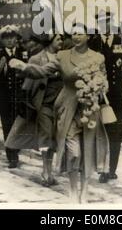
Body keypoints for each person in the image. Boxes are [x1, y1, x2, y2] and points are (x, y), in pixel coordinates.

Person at [11, 24, 109, 203]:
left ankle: (83, 193)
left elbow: (105, 81)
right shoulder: (63, 56)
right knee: (74, 152)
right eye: (74, 34)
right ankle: (72, 190)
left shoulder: (98, 57)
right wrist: (24, 67)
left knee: (87, 151)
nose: (76, 37)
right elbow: (42, 71)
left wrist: (98, 86)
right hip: (67, 108)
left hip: (89, 109)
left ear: (88, 36)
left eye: (80, 33)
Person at [5, 34, 64, 187]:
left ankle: (50, 169)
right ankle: (46, 171)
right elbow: (28, 85)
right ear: (50, 41)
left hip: (60, 105)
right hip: (43, 104)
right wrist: (27, 105)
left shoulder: (63, 57)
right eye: (58, 39)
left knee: (54, 139)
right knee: (46, 137)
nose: (61, 42)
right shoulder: (36, 59)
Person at [89, 10, 122, 183]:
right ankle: (102, 168)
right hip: (99, 95)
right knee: (101, 132)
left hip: (116, 95)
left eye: (107, 21)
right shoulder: (93, 43)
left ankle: (111, 168)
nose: (104, 25)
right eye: (100, 22)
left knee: (115, 132)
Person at [0, 25, 26, 168]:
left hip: (20, 97)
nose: (10, 41)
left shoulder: (23, 54)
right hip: (5, 97)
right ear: (2, 40)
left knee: (19, 126)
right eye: (6, 38)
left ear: (16, 38)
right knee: (7, 126)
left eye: (12, 37)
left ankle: (16, 148)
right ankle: (11, 155)